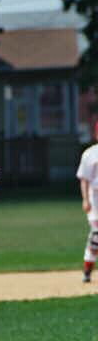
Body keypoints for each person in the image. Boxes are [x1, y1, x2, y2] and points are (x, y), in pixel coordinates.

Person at [76, 119, 98, 283]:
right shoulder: (90, 154)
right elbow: (84, 179)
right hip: (95, 198)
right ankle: (88, 268)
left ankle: (87, 266)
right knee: (97, 234)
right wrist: (85, 200)